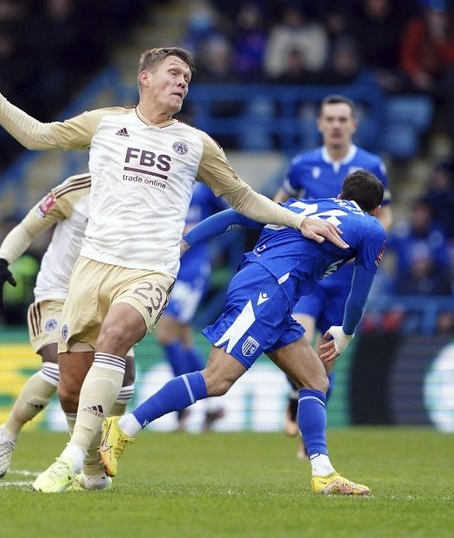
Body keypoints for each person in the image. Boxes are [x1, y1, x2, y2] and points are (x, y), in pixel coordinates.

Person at [0, 40, 347, 494]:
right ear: (146, 77)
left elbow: (243, 198)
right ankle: (90, 462)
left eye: (187, 78)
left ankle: (66, 459)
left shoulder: (195, 143)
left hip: (150, 270)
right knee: (68, 390)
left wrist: (299, 218)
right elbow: (37, 136)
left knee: (116, 336)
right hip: (91, 268)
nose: (182, 82)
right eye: (174, 73)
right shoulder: (106, 124)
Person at [100, 170, 387, 496]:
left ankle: (323, 473)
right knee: (217, 379)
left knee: (315, 380)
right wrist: (346, 333)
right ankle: (121, 429)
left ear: (339, 195)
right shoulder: (371, 228)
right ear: (376, 209)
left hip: (271, 290)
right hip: (267, 290)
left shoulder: (302, 205)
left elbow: (235, 215)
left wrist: (184, 243)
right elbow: (359, 293)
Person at [0, 173, 135, 491]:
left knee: (124, 386)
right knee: (58, 372)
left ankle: (96, 459)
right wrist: (1, 262)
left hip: (104, 298)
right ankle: (9, 432)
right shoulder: (78, 188)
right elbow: (28, 226)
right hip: (58, 295)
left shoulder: (146, 192)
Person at [273, 94, 392, 457]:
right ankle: (295, 393)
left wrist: (373, 250)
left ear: (353, 125)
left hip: (345, 279)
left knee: (327, 356)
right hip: (310, 275)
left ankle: (311, 429)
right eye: (330, 119)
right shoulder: (303, 165)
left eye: (343, 119)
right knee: (300, 335)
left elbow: (384, 216)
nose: (337, 125)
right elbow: (279, 204)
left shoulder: (372, 165)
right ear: (320, 124)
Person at [155, 181, 227, 431]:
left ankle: (182, 405)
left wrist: (201, 233)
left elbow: (228, 213)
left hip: (192, 271)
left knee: (166, 334)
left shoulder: (205, 189)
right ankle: (210, 407)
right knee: (183, 338)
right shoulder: (165, 183)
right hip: (168, 269)